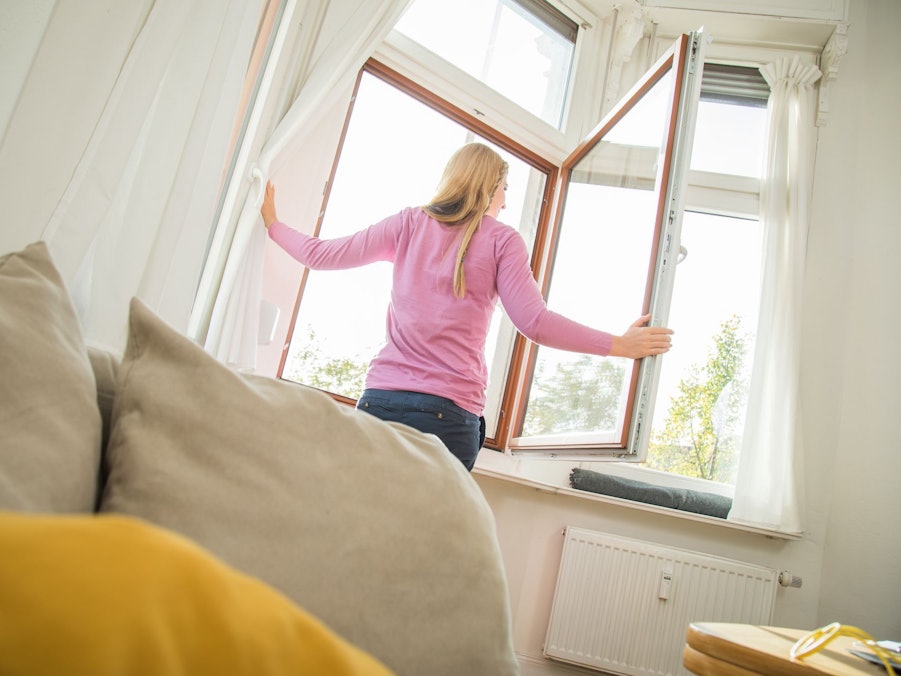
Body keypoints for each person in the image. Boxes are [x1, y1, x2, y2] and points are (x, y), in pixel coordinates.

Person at [261, 143, 673, 472]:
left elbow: (321, 255)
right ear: (490, 185)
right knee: (422, 556)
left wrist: (273, 224)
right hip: (446, 415)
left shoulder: (408, 223)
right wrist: (620, 345)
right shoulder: (501, 240)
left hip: (379, 404)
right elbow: (535, 322)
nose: (506, 202)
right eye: (505, 189)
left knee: (358, 537)